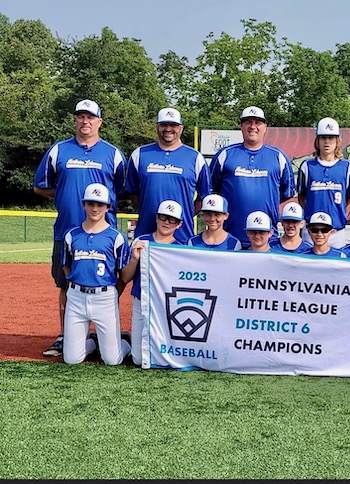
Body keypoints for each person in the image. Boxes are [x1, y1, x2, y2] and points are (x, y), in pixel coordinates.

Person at [33, 99, 127, 357]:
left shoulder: (112, 153)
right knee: (66, 284)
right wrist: (64, 193)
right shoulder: (59, 150)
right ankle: (67, 336)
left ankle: (105, 333)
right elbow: (40, 185)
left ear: (99, 122)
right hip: (67, 231)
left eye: (90, 117)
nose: (85, 121)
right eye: (81, 117)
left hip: (104, 234)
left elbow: (124, 189)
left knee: (108, 281)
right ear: (75, 120)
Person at [61, 183, 131, 365]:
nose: (95, 208)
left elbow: (122, 274)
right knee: (71, 359)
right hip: (76, 297)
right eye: (91, 203)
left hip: (104, 297)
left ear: (108, 207)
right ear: (83, 204)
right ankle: (92, 343)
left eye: (100, 204)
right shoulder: (71, 235)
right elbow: (66, 266)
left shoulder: (117, 237)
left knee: (112, 360)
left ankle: (125, 344)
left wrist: (112, 294)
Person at [210, 106, 296, 248]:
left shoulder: (278, 156)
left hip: (266, 239)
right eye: (248, 122)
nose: (252, 127)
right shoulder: (225, 155)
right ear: (241, 126)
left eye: (258, 122)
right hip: (228, 237)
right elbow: (214, 191)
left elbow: (285, 193)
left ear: (265, 127)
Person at [125, 107, 211, 244]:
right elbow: (132, 193)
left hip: (182, 236)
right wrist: (149, 210)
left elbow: (203, 197)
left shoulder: (195, 158)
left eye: (173, 125)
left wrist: (184, 215)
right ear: (157, 127)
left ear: (181, 128)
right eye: (164, 125)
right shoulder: (140, 154)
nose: (168, 129)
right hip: (146, 234)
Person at [120, 200, 184, 366]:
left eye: (172, 220)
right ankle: (126, 342)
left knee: (163, 356)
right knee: (138, 360)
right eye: (163, 217)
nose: (166, 222)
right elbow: (125, 278)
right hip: (141, 301)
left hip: (164, 305)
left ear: (179, 224)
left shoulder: (180, 249)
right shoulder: (141, 241)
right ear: (156, 218)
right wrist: (135, 258)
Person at [297, 117, 350, 248]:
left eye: (331, 138)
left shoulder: (347, 167)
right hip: (312, 231)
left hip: (336, 231)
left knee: (336, 266)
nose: (327, 142)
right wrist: (308, 216)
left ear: (338, 141)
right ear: (317, 141)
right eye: (323, 138)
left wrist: (341, 218)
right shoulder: (307, 166)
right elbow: (301, 196)